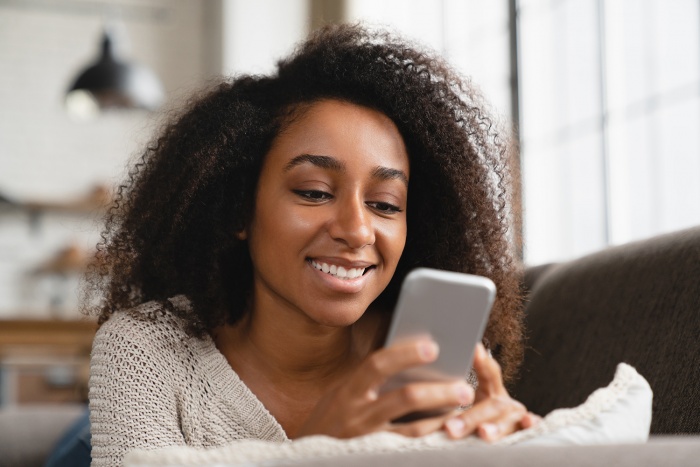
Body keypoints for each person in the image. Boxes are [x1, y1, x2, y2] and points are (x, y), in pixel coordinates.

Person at [86, 23, 533, 467]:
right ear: (239, 208)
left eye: (384, 203)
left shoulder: (431, 363)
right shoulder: (147, 350)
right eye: (315, 192)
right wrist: (319, 453)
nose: (357, 231)